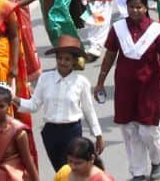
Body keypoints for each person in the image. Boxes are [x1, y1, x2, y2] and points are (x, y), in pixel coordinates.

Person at [92, 0, 160, 181]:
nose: (135, 10)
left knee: (148, 131)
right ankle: (138, 172)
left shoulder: (155, 29)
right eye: (131, 6)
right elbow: (109, 56)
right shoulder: (118, 29)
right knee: (130, 130)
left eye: (139, 6)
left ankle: (157, 160)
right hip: (125, 88)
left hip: (150, 86)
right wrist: (100, 81)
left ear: (145, 8)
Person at [18, 35, 101, 173]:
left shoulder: (81, 82)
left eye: (67, 59)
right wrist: (14, 100)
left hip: (72, 132)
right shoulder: (45, 79)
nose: (62, 62)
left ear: (74, 61)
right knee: (60, 172)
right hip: (50, 133)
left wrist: (98, 135)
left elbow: (89, 110)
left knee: (72, 170)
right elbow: (33, 105)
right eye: (59, 58)